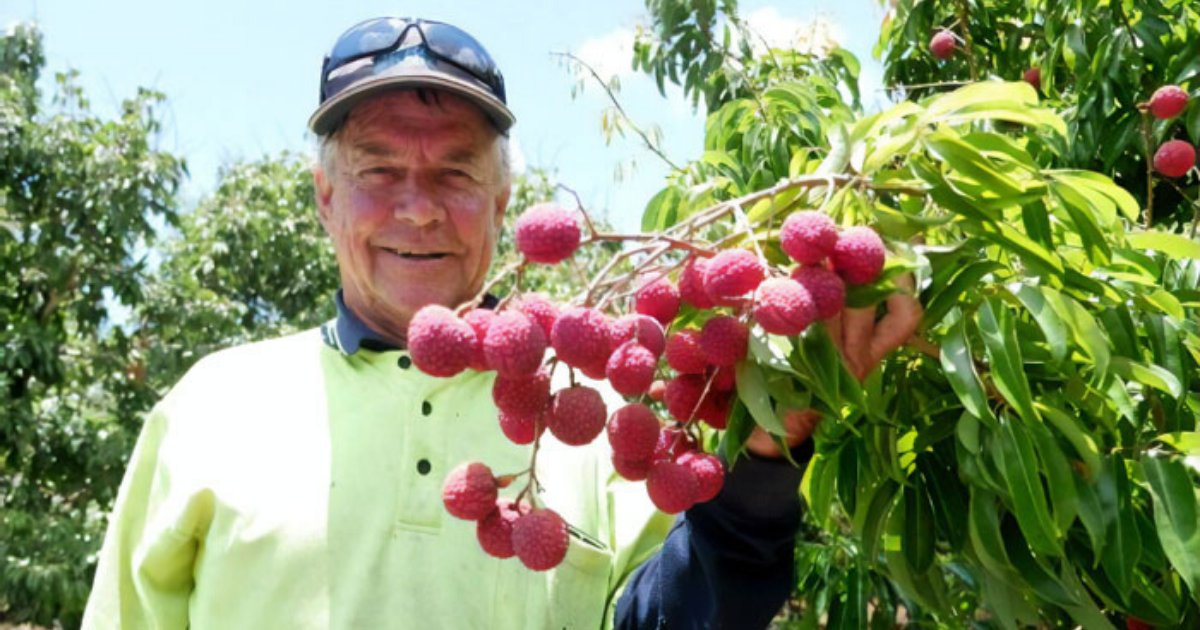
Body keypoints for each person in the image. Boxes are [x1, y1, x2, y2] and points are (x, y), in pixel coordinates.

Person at [82, 17, 921, 629]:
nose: (418, 209)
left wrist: (763, 458)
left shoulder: (600, 404)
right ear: (326, 196)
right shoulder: (211, 406)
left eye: (455, 173)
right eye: (378, 170)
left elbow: (687, 616)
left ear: (502, 200)